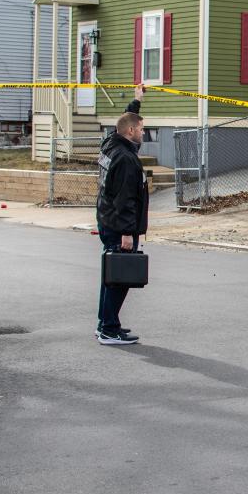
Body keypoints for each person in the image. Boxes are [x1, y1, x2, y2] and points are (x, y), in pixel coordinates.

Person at [95, 105, 149, 346]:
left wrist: (135, 105)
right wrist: (128, 232)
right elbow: (125, 198)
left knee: (111, 276)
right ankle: (108, 329)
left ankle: (106, 324)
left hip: (107, 219)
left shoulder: (110, 144)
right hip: (119, 225)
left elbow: (120, 124)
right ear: (130, 131)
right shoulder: (126, 159)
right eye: (141, 129)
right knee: (119, 277)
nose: (143, 134)